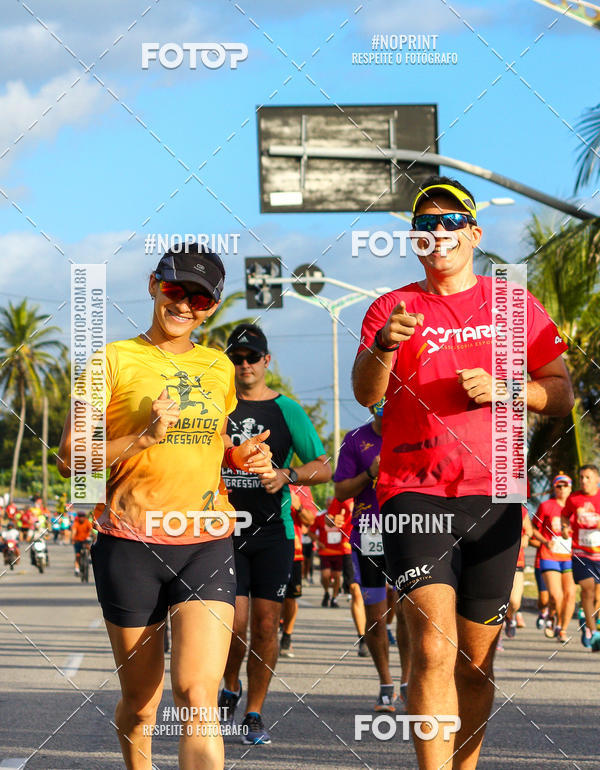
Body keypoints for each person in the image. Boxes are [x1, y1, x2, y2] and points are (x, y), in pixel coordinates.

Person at [352, 175, 574, 770]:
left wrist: (507, 390)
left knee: (477, 664)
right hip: (413, 493)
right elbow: (364, 393)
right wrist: (383, 348)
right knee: (431, 646)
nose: (439, 233)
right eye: (426, 225)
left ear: (474, 233)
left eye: (451, 222)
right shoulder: (392, 307)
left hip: (496, 494)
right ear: (415, 240)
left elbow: (561, 393)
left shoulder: (511, 303)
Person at [57, 245, 275, 770]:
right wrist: (144, 437)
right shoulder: (107, 361)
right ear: (154, 284)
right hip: (130, 544)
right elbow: (69, 458)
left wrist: (239, 455)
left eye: (200, 300)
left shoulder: (219, 368)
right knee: (142, 703)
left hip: (205, 542)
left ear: (212, 307)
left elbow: (214, 441)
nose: (186, 305)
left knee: (198, 697)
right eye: (176, 290)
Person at [219, 323, 331, 745]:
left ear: (266, 361)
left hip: (274, 533)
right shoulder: (217, 407)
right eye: (237, 358)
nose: (244, 365)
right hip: (224, 531)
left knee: (266, 627)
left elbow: (324, 464)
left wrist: (288, 475)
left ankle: (254, 712)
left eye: (252, 358)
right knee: (234, 623)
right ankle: (230, 684)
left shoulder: (288, 410)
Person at [334, 399, 411, 711]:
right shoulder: (355, 439)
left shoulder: (412, 432)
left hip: (408, 531)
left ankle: (408, 683)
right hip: (370, 534)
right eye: (377, 399)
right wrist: (370, 472)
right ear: (369, 404)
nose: (384, 404)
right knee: (376, 616)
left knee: (408, 612)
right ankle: (386, 684)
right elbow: (340, 491)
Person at [532, 473, 574, 642]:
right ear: (554, 488)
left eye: (565, 486)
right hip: (549, 555)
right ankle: (550, 615)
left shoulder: (576, 507)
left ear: (571, 488)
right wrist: (545, 541)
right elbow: (534, 528)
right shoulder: (546, 506)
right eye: (559, 486)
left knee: (570, 594)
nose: (562, 489)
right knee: (556, 596)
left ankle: (562, 629)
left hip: (571, 556)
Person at [563, 464, 600, 649]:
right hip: (580, 553)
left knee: (598, 595)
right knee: (588, 589)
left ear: (597, 479)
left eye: (587, 477)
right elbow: (564, 516)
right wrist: (565, 528)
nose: (584, 481)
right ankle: (593, 632)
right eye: (582, 477)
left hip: (599, 553)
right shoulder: (574, 498)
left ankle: (590, 620)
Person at [279, 485, 318, 658]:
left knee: (290, 597)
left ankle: (287, 636)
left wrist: (298, 506)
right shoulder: (262, 477)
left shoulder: (301, 488)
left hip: (293, 551)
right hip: (265, 548)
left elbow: (310, 521)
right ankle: (267, 635)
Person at [310, 498, 354, 610]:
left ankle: (334, 598)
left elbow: (351, 527)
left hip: (339, 551)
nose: (331, 507)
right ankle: (326, 592)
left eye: (332, 504)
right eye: (328, 504)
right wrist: (318, 541)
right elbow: (311, 531)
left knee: (337, 576)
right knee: (325, 575)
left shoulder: (344, 517)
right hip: (325, 551)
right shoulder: (321, 517)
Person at [504, 507, 533, 639]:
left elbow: (529, 530)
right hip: (492, 560)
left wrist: (526, 537)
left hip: (517, 560)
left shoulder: (519, 508)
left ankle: (509, 616)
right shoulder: (486, 506)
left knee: (515, 601)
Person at [71, 510, 94, 576]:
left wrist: (94, 536)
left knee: (89, 548)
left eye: (83, 516)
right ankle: (77, 569)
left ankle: (88, 557)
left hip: (85, 540)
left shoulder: (87, 522)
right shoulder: (76, 523)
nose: (81, 518)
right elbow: (74, 531)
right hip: (77, 540)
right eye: (80, 517)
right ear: (78, 517)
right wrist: (73, 539)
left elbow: (91, 530)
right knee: (77, 555)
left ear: (85, 517)